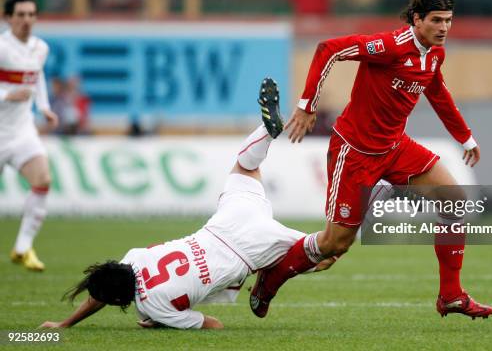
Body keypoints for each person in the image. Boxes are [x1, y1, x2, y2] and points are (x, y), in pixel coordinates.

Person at [250, 0, 492, 319]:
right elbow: (328, 49)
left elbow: (437, 92)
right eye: (437, 20)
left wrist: (465, 137)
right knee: (334, 244)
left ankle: (451, 295)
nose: (444, 28)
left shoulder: (435, 54)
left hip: (395, 147)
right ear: (417, 19)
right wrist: (307, 105)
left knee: (454, 200)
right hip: (355, 152)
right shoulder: (391, 46)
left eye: (448, 21)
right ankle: (271, 278)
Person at [39, 79, 335, 330]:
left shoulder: (151, 306)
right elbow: (105, 287)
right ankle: (265, 133)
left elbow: (213, 324)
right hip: (225, 223)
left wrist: (160, 320)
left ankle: (266, 284)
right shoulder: (134, 257)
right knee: (245, 168)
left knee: (326, 255)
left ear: (120, 301)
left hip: (247, 251)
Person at [0, 0, 58, 272]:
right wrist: (8, 95)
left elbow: (37, 76)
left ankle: (23, 247)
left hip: (22, 131)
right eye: (20, 14)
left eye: (31, 14)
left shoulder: (40, 48)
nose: (26, 20)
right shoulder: (1, 47)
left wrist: (44, 107)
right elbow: (14, 90)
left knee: (43, 179)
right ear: (8, 17)